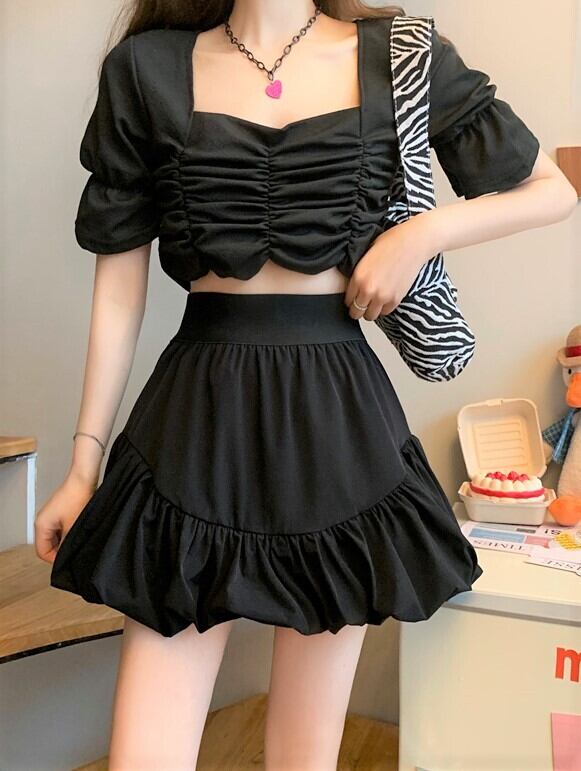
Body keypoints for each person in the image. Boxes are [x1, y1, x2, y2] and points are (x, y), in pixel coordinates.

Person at [35, 0, 576, 768]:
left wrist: (417, 234)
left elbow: (551, 189)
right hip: (194, 424)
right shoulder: (146, 69)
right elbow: (119, 286)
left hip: (338, 426)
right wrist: (83, 463)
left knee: (304, 754)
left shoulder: (398, 55)